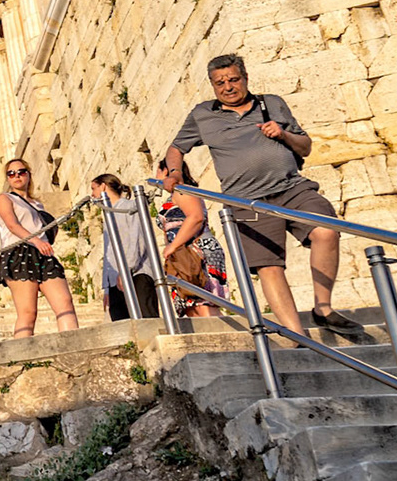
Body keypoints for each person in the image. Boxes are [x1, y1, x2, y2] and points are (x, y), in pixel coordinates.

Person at [165, 53, 367, 339]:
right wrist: (175, 173)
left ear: (245, 78)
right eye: (219, 82)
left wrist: (283, 134)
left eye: (233, 79)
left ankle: (323, 309)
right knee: (268, 265)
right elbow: (176, 148)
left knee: (326, 230)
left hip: (291, 188)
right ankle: (295, 334)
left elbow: (305, 147)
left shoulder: (271, 103)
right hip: (244, 200)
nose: (227, 87)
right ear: (212, 86)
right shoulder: (203, 114)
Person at [0, 162, 81, 339]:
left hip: (43, 254)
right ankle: (23, 359)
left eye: (21, 172)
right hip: (19, 253)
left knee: (65, 304)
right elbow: (12, 225)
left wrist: (42, 244)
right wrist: (35, 240)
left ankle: (73, 346)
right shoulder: (5, 198)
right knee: (28, 312)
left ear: (28, 174)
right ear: (8, 179)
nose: (16, 176)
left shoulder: (37, 204)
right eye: (11, 174)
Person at [155, 158, 225, 317]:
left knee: (203, 303)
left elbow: (196, 217)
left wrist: (173, 246)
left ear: (166, 171)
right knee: (189, 304)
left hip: (195, 250)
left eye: (158, 171)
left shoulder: (182, 190)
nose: (156, 176)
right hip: (181, 255)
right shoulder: (174, 195)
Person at [93, 175, 160, 322]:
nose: (92, 194)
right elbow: (108, 253)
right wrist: (107, 288)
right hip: (116, 280)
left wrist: (126, 270)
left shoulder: (130, 207)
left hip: (138, 274)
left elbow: (138, 241)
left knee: (147, 321)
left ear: (103, 186)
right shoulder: (108, 214)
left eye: (94, 188)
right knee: (122, 325)